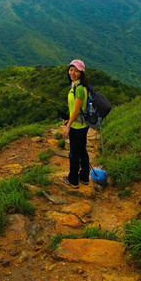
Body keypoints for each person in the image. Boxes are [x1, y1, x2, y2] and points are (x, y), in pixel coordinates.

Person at [62, 59, 91, 188]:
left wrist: (68, 126)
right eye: (71, 70)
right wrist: (69, 120)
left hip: (77, 127)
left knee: (74, 154)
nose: (72, 73)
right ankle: (84, 177)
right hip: (81, 125)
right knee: (82, 151)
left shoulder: (79, 88)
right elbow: (77, 110)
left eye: (76, 71)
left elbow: (76, 109)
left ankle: (73, 180)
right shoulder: (76, 86)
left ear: (81, 72)